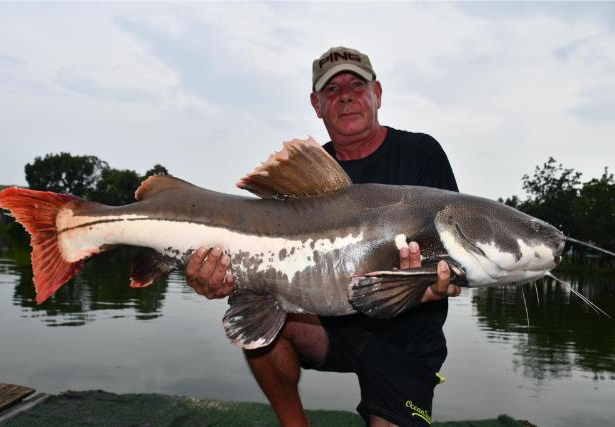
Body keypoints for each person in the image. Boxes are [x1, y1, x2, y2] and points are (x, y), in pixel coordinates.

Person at [185, 46, 461, 427]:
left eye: (356, 85)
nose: (345, 96)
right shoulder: (305, 176)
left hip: (407, 336)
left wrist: (433, 282)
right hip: (326, 323)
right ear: (316, 105)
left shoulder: (421, 154)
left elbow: (449, 258)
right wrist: (221, 275)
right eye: (332, 89)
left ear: (378, 93)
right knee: (257, 299)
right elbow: (262, 250)